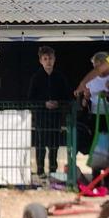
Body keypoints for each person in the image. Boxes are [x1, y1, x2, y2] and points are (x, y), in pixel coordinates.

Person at [27, 45, 70, 177]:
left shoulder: (60, 77)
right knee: (40, 145)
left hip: (56, 116)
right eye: (45, 59)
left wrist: (58, 103)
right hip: (41, 116)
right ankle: (40, 170)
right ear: (41, 61)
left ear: (54, 59)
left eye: (50, 58)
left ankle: (53, 170)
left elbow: (66, 97)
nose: (48, 61)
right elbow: (31, 99)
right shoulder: (36, 78)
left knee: (54, 145)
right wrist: (44, 104)